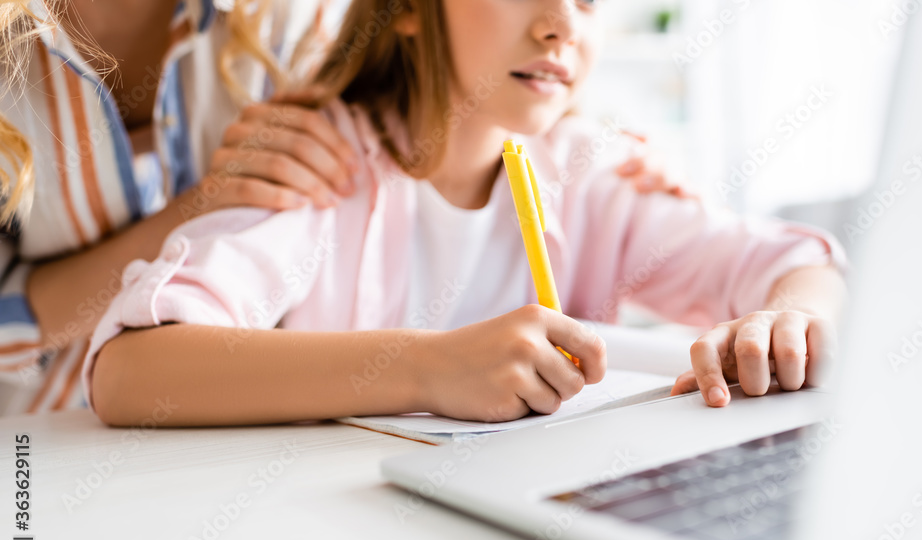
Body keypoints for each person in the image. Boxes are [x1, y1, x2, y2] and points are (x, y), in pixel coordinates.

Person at [85, 0, 847, 427]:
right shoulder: (322, 169)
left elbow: (798, 264)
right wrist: (425, 367)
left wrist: (785, 319)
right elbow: (127, 371)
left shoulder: (583, 173)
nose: (561, 23)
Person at [0, 0, 689, 416]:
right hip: (31, 452)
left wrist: (588, 134)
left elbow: (453, 71)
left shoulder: (287, 18)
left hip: (209, 441)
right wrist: (201, 206)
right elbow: (127, 368)